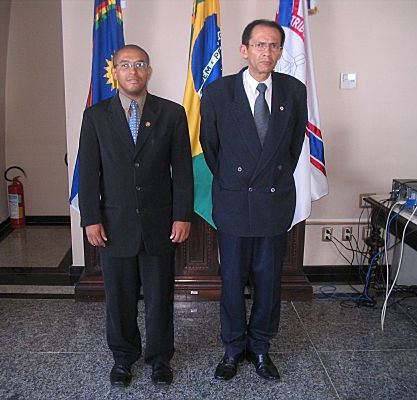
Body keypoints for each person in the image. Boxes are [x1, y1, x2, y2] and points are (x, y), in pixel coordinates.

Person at [78, 44, 193, 388]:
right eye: (125, 65)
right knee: (119, 298)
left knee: (160, 297)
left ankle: (160, 358)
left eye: (139, 64)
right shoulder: (96, 116)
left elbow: (183, 171)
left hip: (160, 224)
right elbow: (88, 173)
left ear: (149, 70)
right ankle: (123, 357)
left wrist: (182, 215)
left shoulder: (171, 113)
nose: (133, 70)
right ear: (115, 72)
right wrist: (90, 218)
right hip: (114, 225)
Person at [200, 19, 307, 381]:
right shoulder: (218, 93)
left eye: (274, 45)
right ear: (244, 50)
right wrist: (236, 183)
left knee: (269, 282)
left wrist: (269, 180)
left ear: (281, 51)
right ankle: (232, 348)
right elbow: (212, 149)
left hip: (273, 202)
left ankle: (260, 346)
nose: (267, 52)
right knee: (231, 282)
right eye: (260, 45)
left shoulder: (293, 91)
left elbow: (291, 148)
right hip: (234, 202)